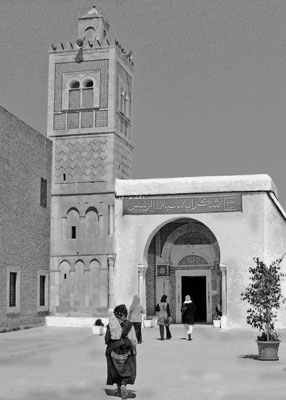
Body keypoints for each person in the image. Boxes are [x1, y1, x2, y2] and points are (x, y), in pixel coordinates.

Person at [105, 304, 137, 399]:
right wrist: (133, 349)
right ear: (125, 314)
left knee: (116, 370)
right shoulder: (129, 325)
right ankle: (123, 385)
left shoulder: (111, 324)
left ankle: (119, 389)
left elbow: (107, 339)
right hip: (126, 351)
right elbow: (133, 339)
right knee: (126, 369)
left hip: (113, 351)